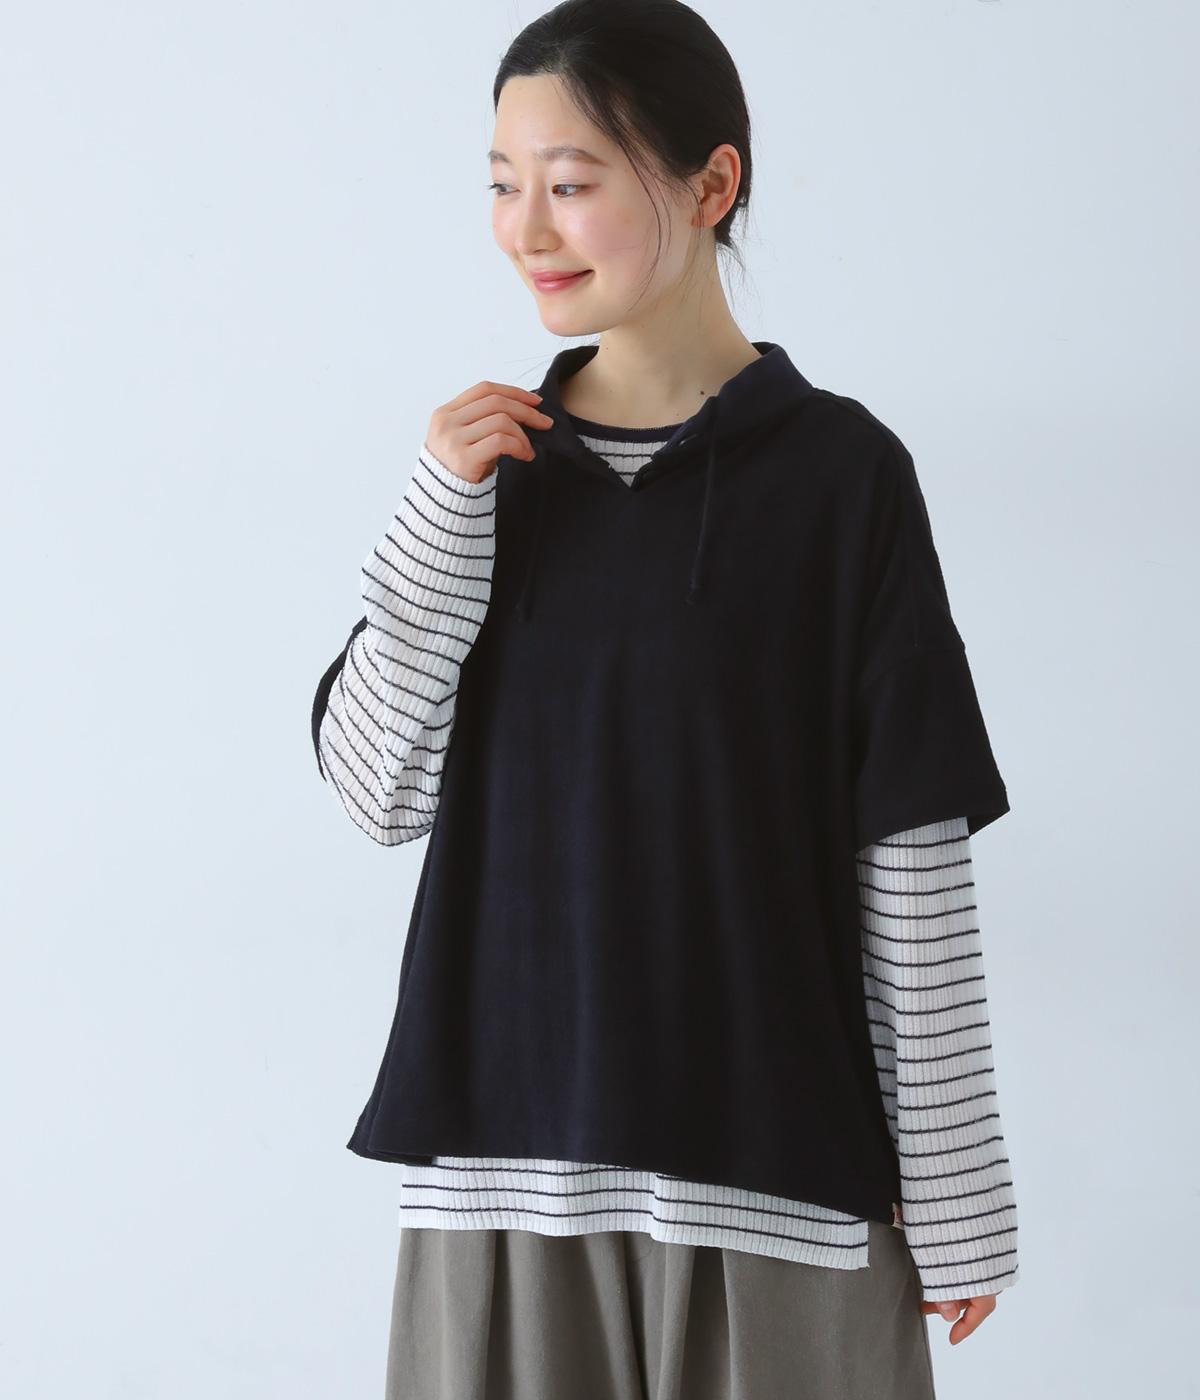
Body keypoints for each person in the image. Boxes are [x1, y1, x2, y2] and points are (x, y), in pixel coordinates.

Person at [310, 2, 1020, 1395]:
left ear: (711, 184)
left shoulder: (843, 479)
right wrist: (438, 513)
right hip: (508, 1181)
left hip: (776, 1184)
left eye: (570, 184)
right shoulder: (486, 479)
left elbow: (909, 851)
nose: (526, 230)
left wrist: (956, 1191)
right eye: (503, 185)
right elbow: (375, 793)